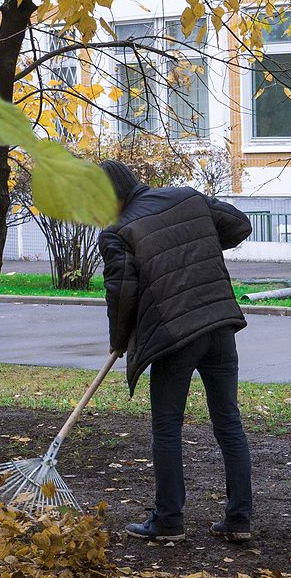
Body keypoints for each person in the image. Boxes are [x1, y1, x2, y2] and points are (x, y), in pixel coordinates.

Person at [97, 160, 255, 544]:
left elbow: (122, 293)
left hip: (173, 335)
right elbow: (238, 223)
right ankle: (239, 519)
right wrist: (191, 245)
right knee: (228, 422)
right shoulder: (187, 197)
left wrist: (119, 339)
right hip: (219, 324)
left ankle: (169, 521)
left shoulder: (117, 232)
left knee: (167, 427)